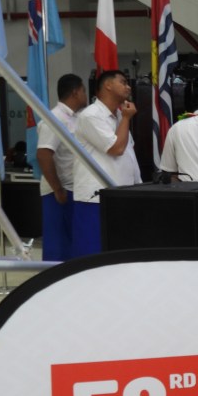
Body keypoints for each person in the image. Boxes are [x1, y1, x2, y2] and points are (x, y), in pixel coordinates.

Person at [72, 69, 141, 257]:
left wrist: (137, 185)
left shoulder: (119, 115)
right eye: (123, 82)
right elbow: (116, 149)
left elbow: (128, 153)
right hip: (96, 197)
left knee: (117, 253)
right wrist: (127, 118)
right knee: (93, 253)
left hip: (119, 193)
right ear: (108, 85)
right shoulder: (91, 115)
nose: (128, 87)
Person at [36, 73, 88, 261]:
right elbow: (43, 154)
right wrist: (58, 189)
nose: (85, 94)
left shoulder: (77, 118)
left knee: (72, 242)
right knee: (58, 246)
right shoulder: (55, 119)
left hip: (74, 187)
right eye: (83, 90)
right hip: (59, 191)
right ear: (75, 92)